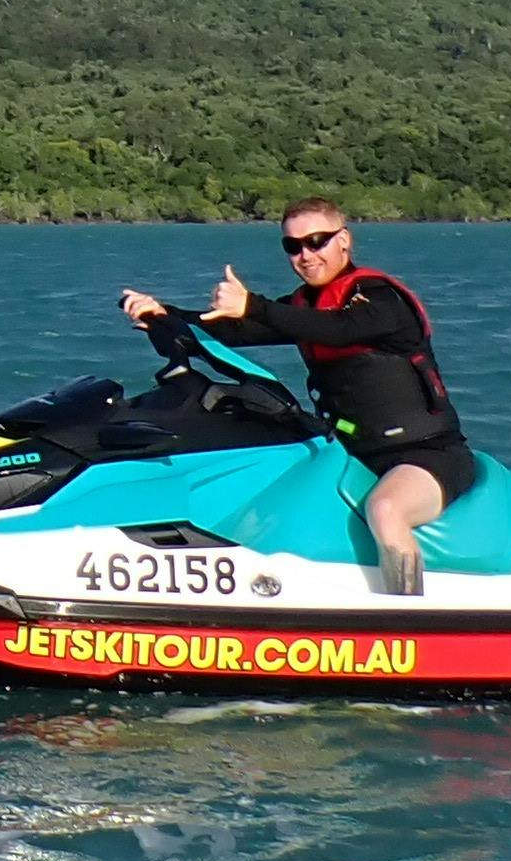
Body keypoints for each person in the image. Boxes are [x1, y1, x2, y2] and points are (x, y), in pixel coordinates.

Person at [122, 199, 476, 595]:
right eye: (294, 247)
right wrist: (162, 314)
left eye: (317, 241)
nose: (306, 255)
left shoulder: (382, 301)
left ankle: (408, 618)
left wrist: (253, 305)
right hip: (352, 453)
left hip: (427, 455)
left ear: (344, 240)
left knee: (386, 510)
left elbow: (339, 329)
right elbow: (239, 332)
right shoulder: (306, 304)